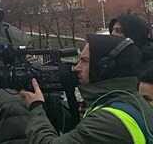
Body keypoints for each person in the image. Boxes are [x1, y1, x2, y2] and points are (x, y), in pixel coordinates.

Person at [21, 34, 153, 143]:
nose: (76, 68)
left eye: (84, 61)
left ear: (104, 67)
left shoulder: (107, 121)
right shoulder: (131, 103)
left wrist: (36, 107)